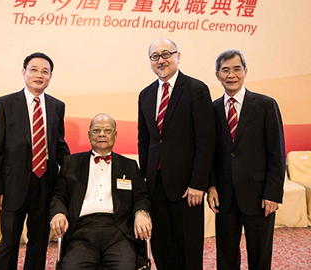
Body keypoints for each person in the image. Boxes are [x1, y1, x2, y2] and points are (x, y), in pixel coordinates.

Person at [138, 38, 216, 269]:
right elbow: (145, 140)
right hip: (156, 184)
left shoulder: (196, 89)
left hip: (186, 187)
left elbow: (206, 140)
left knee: (188, 246)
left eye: (166, 54)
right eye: (155, 56)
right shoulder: (146, 94)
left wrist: (198, 183)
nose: (161, 60)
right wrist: (145, 178)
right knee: (161, 245)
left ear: (177, 56)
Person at [0, 52, 70, 270]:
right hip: (13, 185)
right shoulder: (5, 104)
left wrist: (76, 168)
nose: (39, 75)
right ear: (23, 72)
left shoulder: (56, 106)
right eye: (33, 70)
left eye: (45, 71)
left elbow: (58, 144)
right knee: (9, 242)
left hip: (45, 184)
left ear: (51, 76)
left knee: (39, 242)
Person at [207, 49, 285, 270]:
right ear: (217, 75)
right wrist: (211, 185)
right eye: (225, 70)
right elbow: (209, 153)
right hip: (224, 195)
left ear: (245, 71)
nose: (231, 75)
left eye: (236, 69)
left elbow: (276, 153)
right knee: (226, 254)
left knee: (260, 254)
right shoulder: (211, 109)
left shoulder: (265, 105)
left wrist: (272, 194)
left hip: (259, 195)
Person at [50, 113, 152, 270]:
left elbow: (141, 197)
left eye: (107, 130)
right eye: (96, 130)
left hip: (119, 231)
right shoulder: (71, 163)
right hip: (82, 232)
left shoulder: (129, 166)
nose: (102, 134)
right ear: (89, 134)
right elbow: (58, 196)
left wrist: (141, 213)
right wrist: (58, 214)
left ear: (115, 135)